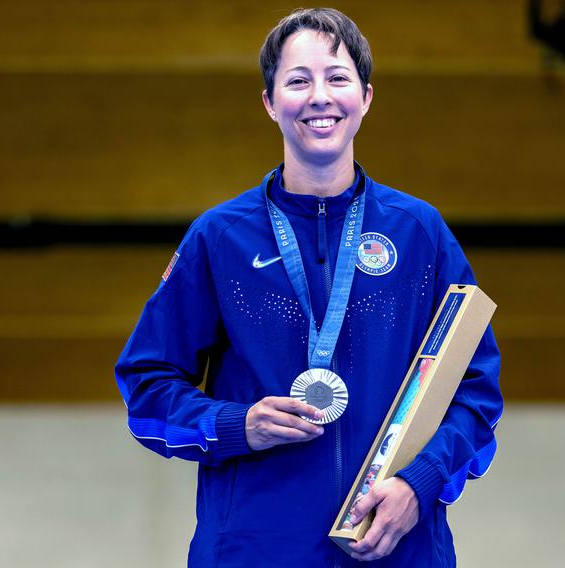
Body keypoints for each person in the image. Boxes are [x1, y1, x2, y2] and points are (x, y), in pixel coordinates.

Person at [115, 7, 501, 566]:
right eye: (298, 80)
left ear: (365, 98)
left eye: (337, 78)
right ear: (270, 103)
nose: (320, 96)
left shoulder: (420, 233)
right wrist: (235, 424)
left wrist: (421, 481)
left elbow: (476, 390)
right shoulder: (219, 238)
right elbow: (147, 385)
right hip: (253, 551)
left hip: (395, 549)